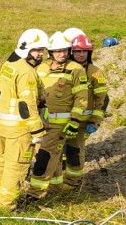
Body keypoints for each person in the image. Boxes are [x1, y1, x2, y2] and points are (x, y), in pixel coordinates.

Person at [0, 29, 47, 210]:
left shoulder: (10, 65)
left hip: (3, 126)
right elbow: (28, 105)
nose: (41, 54)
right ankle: (6, 206)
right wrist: (37, 130)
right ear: (26, 48)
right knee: (15, 167)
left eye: (42, 50)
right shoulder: (27, 72)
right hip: (20, 130)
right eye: (37, 50)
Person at [26, 31, 89, 201]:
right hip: (42, 123)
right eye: (58, 50)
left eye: (65, 50)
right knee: (45, 156)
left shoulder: (76, 70)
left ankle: (34, 195)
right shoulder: (41, 68)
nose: (62, 54)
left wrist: (75, 121)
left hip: (61, 124)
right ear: (51, 52)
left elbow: (81, 98)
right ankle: (55, 188)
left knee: (45, 157)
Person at [61, 30, 109, 188]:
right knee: (56, 151)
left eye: (84, 51)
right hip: (60, 120)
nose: (81, 54)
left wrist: (95, 121)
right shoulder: (64, 68)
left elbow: (101, 100)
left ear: (89, 52)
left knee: (75, 152)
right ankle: (55, 179)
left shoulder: (95, 72)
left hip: (81, 122)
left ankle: (72, 182)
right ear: (71, 51)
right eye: (77, 51)